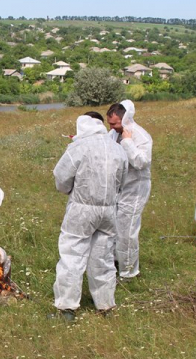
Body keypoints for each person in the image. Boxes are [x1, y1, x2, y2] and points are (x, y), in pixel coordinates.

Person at [51, 114, 128, 320]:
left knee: (72, 256)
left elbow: (61, 177)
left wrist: (70, 191)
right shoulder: (117, 148)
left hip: (82, 209)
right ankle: (105, 306)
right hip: (109, 210)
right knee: (103, 258)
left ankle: (67, 308)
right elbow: (122, 179)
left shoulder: (79, 147)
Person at [106, 100, 153, 281]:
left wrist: (127, 143)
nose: (112, 127)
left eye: (115, 123)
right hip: (118, 189)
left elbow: (141, 162)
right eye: (109, 123)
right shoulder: (112, 134)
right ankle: (117, 262)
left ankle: (129, 272)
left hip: (135, 189)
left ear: (125, 119)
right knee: (114, 228)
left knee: (127, 231)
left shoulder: (140, 136)